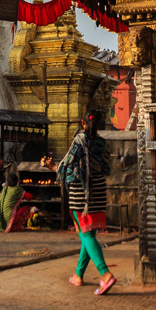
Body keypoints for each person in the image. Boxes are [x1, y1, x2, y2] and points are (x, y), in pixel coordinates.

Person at [57, 111, 115, 294]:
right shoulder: (102, 142)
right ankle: (78, 275)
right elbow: (107, 168)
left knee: (86, 234)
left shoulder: (79, 140)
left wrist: (54, 167)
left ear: (83, 122)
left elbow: (66, 162)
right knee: (87, 234)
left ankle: (105, 274)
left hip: (81, 192)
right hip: (98, 190)